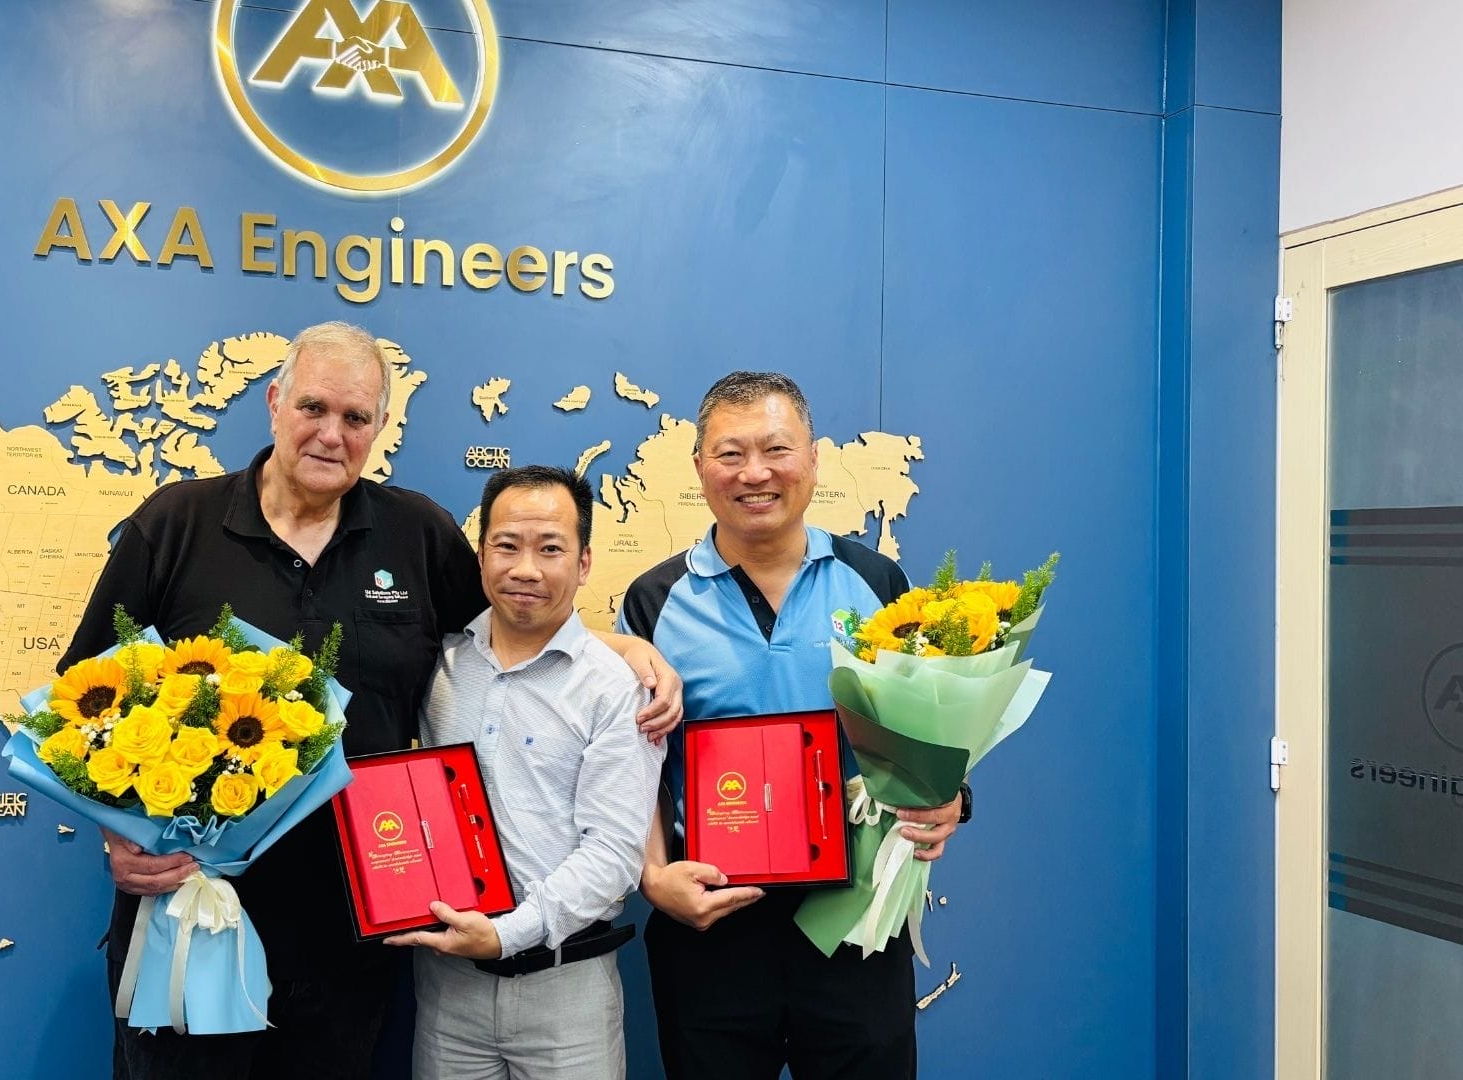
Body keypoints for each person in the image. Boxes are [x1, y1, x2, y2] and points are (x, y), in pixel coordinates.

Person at [58, 322, 683, 1079]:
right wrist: (116, 835)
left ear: (380, 428)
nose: (331, 434)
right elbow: (80, 704)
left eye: (356, 418)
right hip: (195, 919)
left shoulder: (415, 534)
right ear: (274, 401)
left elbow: (513, 622)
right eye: (313, 408)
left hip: (355, 934)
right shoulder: (177, 524)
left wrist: (621, 649)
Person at [618, 371, 968, 1080]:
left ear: (813, 459)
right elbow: (629, 763)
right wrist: (654, 878)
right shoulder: (654, 599)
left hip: (856, 922)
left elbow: (927, 721)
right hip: (711, 923)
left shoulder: (877, 581)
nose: (755, 473)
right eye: (730, 453)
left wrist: (951, 797)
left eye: (776, 449)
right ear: (697, 468)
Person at [388, 466, 665, 1080]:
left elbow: (615, 853)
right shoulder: (440, 662)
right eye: (507, 545)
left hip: (568, 996)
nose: (526, 570)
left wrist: (508, 933)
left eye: (551, 549)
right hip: (446, 989)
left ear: (585, 562)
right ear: (482, 551)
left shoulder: (616, 688)